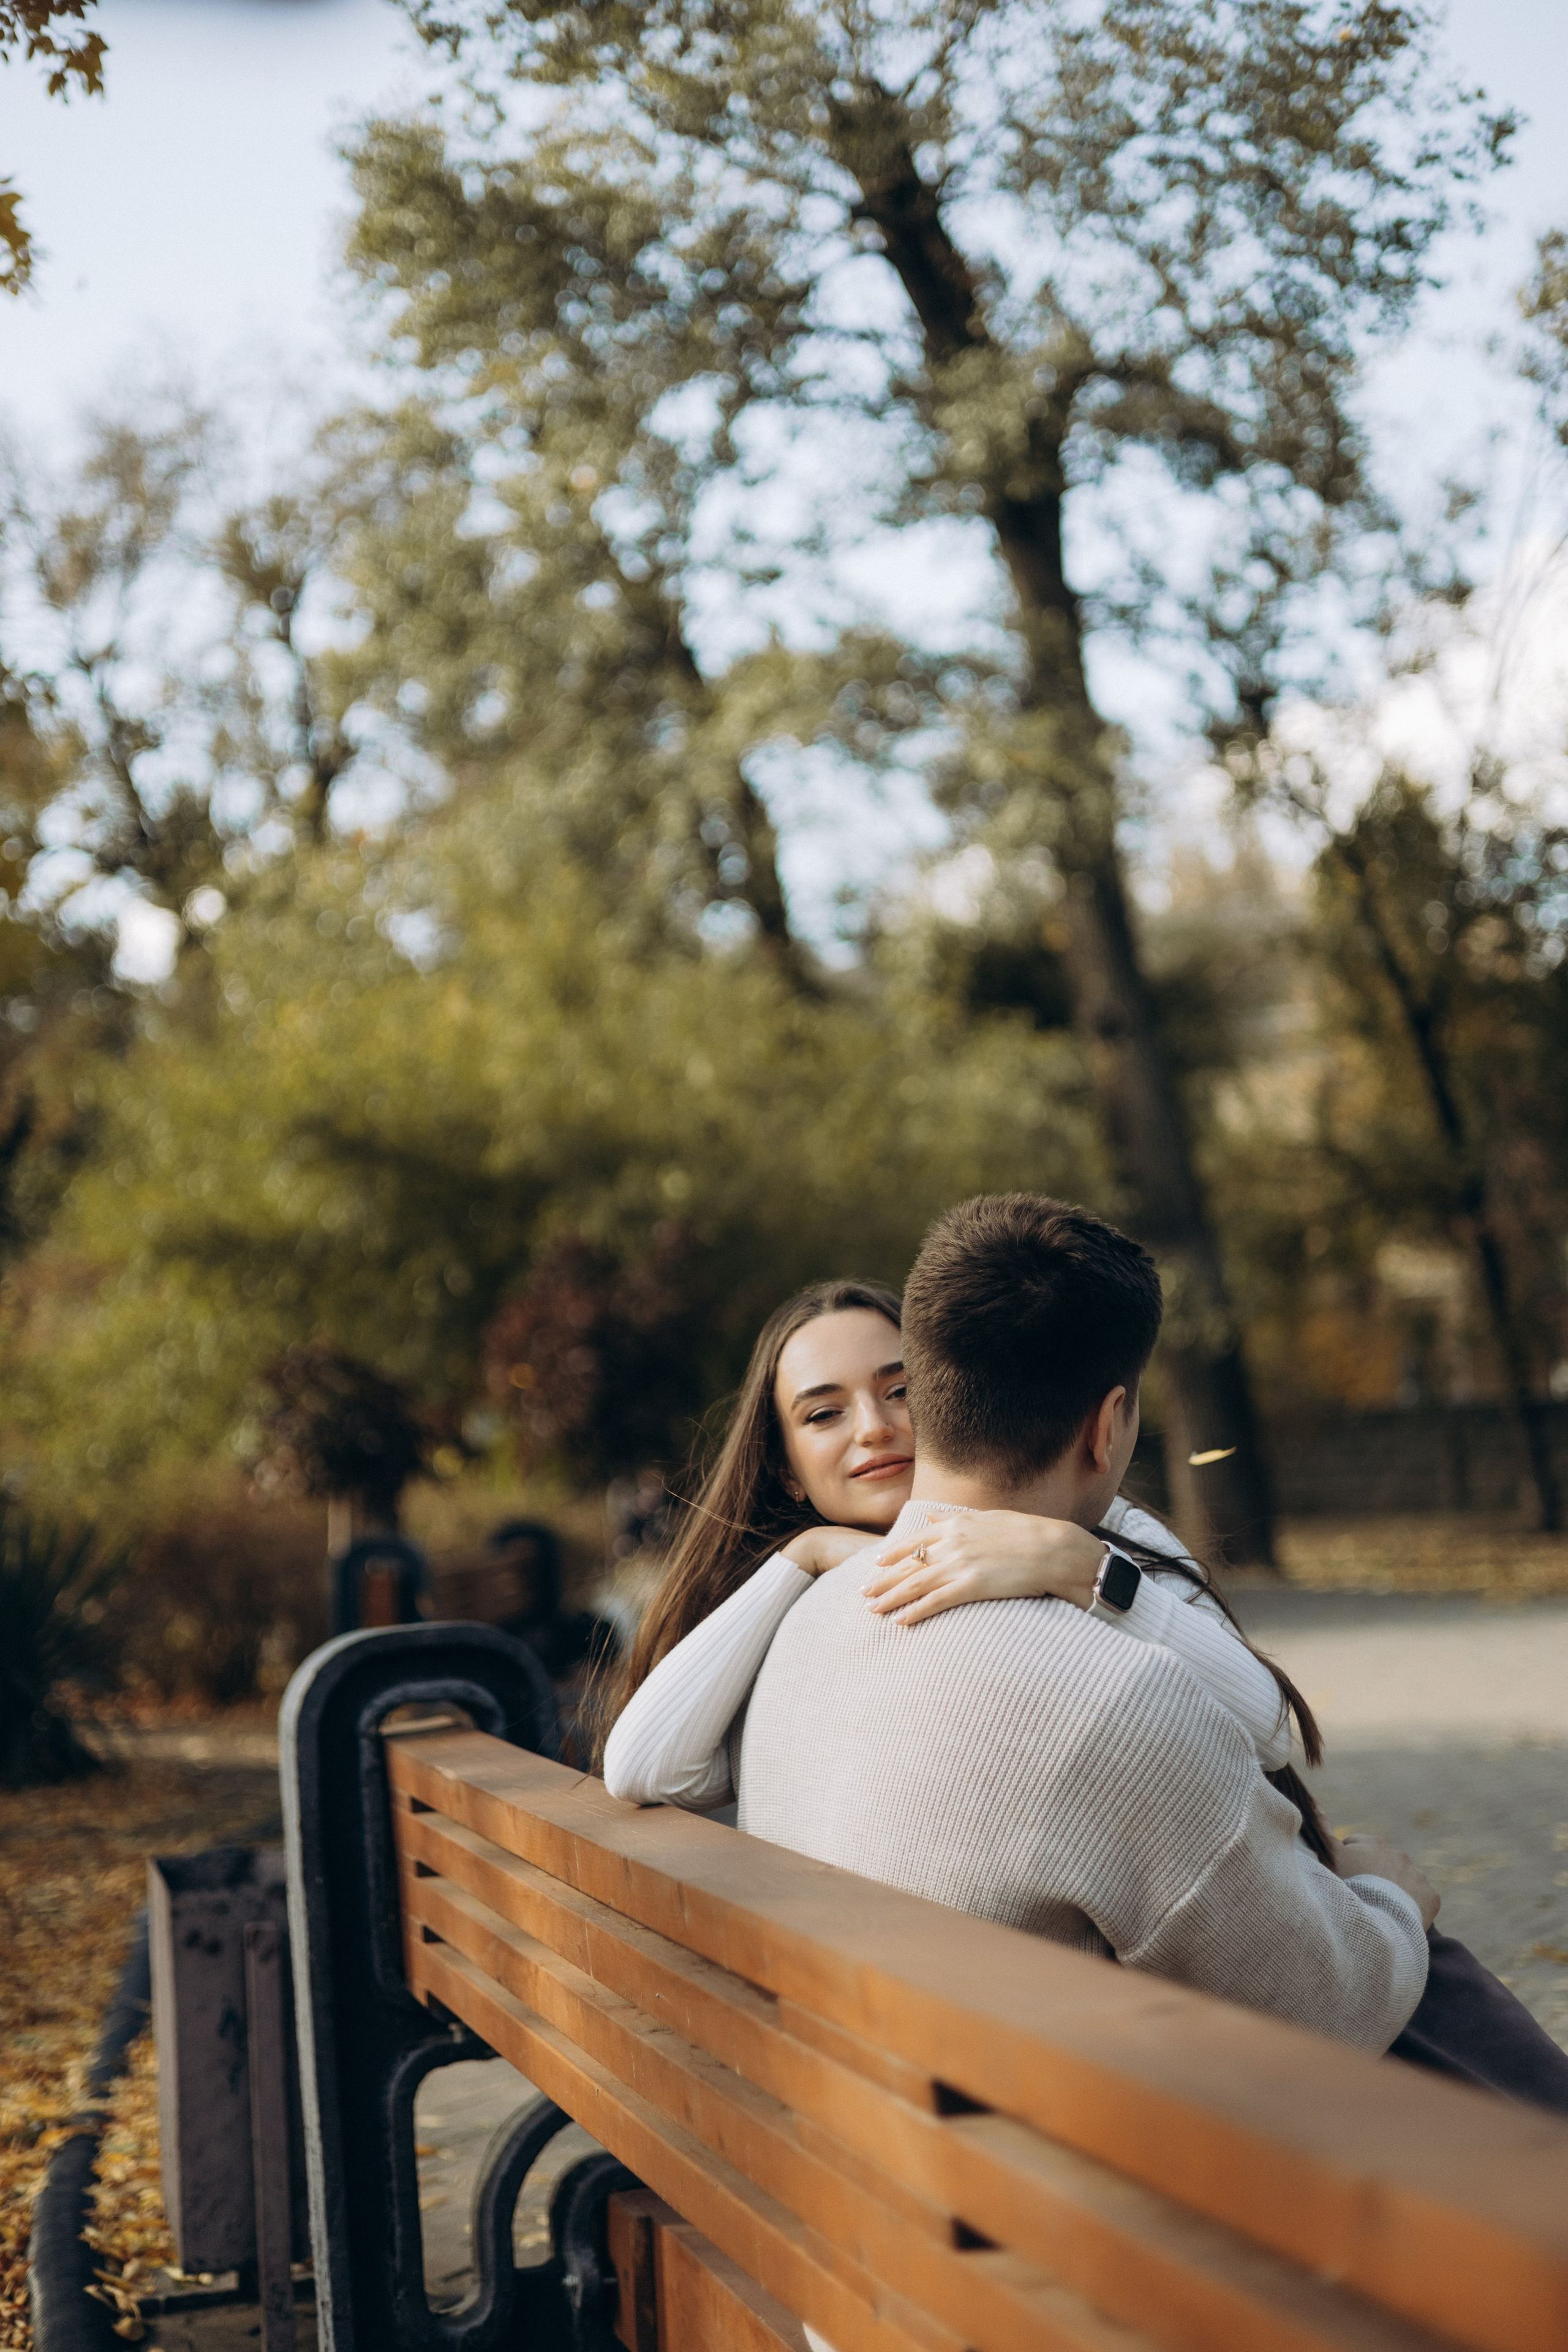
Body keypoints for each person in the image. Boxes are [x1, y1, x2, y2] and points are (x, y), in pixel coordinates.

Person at [604, 1280, 1306, 1815]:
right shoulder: (795, 1610)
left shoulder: (1103, 1524)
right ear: (785, 1469)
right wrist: (810, 1554)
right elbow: (644, 1766)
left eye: (900, 1390)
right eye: (824, 1413)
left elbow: (1275, 1732)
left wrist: (1079, 1567)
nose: (874, 1428)